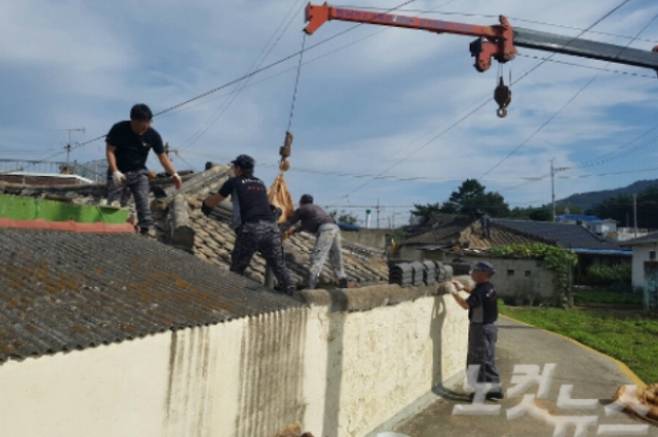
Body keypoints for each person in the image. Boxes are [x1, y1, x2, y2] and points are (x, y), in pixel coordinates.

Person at [201, 154, 296, 296]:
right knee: (279, 266)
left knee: (237, 268)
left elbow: (215, 200)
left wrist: (204, 206)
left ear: (238, 168)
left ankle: (232, 299)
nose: (233, 169)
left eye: (234, 167)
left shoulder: (233, 182)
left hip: (251, 229)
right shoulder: (260, 183)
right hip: (272, 228)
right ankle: (292, 297)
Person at [106, 103, 182, 234]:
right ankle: (112, 225)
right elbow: (110, 151)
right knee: (115, 202)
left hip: (139, 171)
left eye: (148, 122)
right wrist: (114, 171)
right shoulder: (119, 129)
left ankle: (145, 228)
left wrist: (174, 174)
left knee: (142, 197)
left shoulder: (153, 135)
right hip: (119, 171)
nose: (145, 126)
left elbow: (162, 157)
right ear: (133, 120)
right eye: (142, 123)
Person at [449, 261, 503, 401]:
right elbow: (477, 296)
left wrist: (453, 293)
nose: (472, 273)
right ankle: (494, 389)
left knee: (476, 360)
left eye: (475, 271)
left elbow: (466, 304)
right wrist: (463, 288)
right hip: (490, 328)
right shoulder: (488, 287)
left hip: (480, 329)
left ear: (483, 274)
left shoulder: (480, 290)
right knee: (488, 358)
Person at [283, 194, 348, 289]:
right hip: (335, 228)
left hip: (326, 230)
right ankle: (342, 279)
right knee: (336, 256)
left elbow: (290, 222)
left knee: (317, 257)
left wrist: (279, 230)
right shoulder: (315, 209)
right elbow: (304, 226)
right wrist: (293, 231)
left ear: (301, 202)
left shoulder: (302, 209)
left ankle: (311, 284)